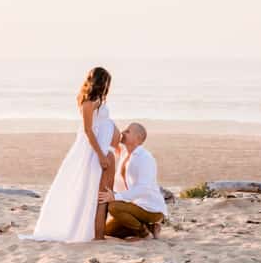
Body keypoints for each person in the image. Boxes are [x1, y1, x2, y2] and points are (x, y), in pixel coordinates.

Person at [24, 67, 117, 243]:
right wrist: (100, 155)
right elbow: (88, 131)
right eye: (106, 83)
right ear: (99, 82)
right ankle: (91, 232)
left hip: (103, 147)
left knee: (97, 189)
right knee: (87, 189)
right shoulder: (87, 103)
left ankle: (96, 230)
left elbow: (105, 123)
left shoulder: (99, 100)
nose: (107, 87)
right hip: (90, 149)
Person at [99, 122, 165, 239]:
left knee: (113, 207)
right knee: (107, 230)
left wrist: (116, 197)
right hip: (134, 206)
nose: (123, 133)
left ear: (138, 139)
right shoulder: (125, 156)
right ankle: (151, 227)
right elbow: (120, 184)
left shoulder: (145, 158)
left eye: (127, 131)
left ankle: (143, 233)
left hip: (150, 208)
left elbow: (143, 188)